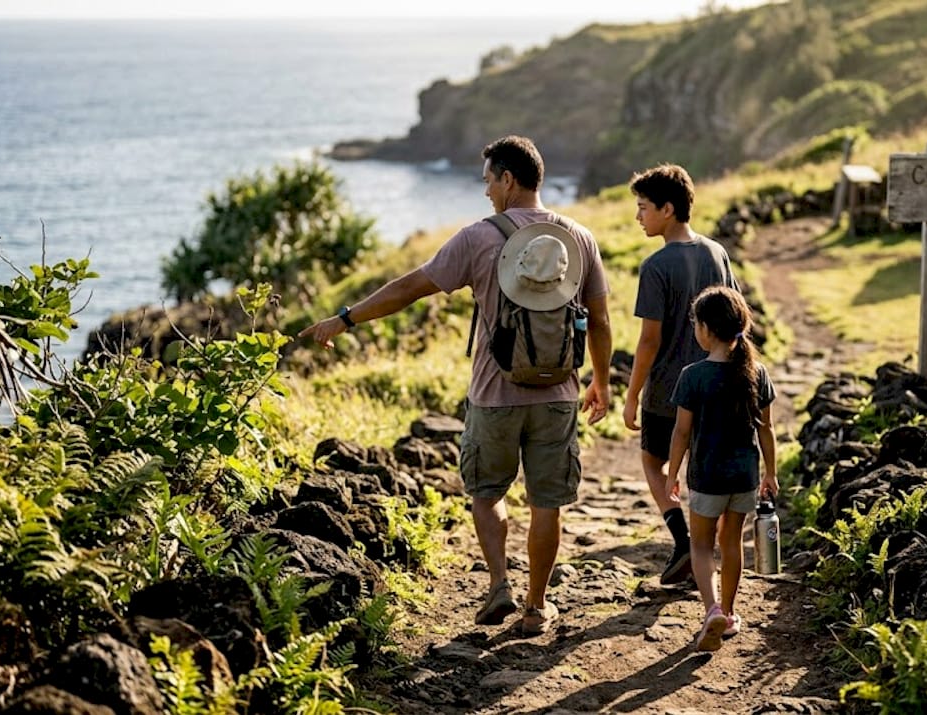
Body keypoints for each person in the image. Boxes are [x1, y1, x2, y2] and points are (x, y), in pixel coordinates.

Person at [299, 135, 612, 636]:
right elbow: (598, 319)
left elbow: (409, 288)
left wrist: (345, 318)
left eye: (489, 179)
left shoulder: (479, 237)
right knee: (546, 502)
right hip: (559, 394)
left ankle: (498, 586)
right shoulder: (578, 238)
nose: (486, 190)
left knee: (487, 492)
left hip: (494, 395)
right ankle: (536, 606)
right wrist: (600, 379)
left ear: (508, 179)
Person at [622, 163, 737, 585]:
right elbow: (738, 320)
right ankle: (707, 554)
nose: (639, 217)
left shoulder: (656, 266)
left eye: (644, 208)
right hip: (717, 384)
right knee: (703, 470)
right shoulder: (717, 253)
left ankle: (683, 541)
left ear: (667, 209)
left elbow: (649, 341)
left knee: (654, 461)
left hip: (668, 390)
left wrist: (632, 394)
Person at [665, 285, 778, 652]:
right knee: (732, 544)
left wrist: (672, 474)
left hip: (707, 477)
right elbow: (767, 429)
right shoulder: (756, 372)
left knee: (700, 545)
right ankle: (728, 614)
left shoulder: (693, 375)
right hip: (744, 476)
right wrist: (771, 474)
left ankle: (711, 608)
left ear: (706, 329)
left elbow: (682, 432)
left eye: (696, 323)